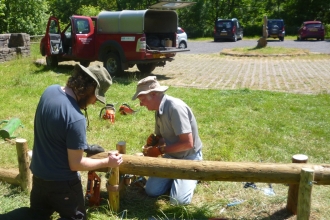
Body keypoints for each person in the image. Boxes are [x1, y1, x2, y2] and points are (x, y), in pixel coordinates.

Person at [29, 64, 123, 220]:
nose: (94, 102)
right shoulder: (75, 118)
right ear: (90, 88)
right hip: (62, 185)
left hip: (38, 177)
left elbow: (55, 133)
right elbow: (76, 164)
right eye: (96, 97)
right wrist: (108, 161)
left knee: (38, 216)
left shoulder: (49, 91)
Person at [132, 76, 203, 205]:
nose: (141, 104)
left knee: (178, 202)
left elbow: (188, 143)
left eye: (142, 100)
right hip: (171, 156)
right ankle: (176, 178)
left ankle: (193, 177)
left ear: (153, 94)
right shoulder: (158, 110)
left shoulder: (175, 107)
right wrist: (154, 142)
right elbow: (161, 138)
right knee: (151, 191)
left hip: (188, 158)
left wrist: (159, 150)